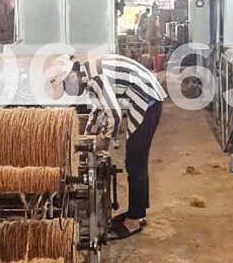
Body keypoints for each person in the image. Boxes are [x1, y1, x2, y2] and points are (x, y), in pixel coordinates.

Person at [57, 54, 166, 239]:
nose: (69, 91)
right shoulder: (88, 75)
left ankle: (133, 221)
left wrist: (104, 139)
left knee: (135, 161)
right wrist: (88, 136)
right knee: (136, 161)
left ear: (72, 75)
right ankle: (138, 211)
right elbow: (98, 109)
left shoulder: (95, 77)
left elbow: (114, 114)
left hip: (148, 100)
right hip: (146, 96)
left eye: (66, 86)